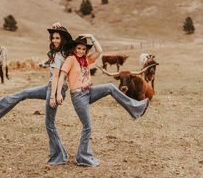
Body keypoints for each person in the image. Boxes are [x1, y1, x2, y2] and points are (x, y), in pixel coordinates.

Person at [56, 34, 149, 167]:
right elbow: (62, 76)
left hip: (89, 91)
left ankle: (135, 108)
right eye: (79, 48)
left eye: (83, 49)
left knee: (110, 87)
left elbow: (100, 51)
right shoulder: (71, 59)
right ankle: (81, 157)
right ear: (74, 48)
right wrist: (59, 93)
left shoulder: (86, 60)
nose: (81, 51)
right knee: (87, 127)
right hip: (78, 96)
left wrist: (92, 37)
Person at [0, 24, 73, 165]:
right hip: (51, 87)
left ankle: (59, 156)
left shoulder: (60, 55)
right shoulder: (60, 52)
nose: (54, 40)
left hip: (55, 89)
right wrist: (60, 26)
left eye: (58, 38)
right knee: (24, 93)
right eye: (53, 38)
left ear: (63, 39)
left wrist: (53, 96)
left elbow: (57, 77)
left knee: (49, 124)